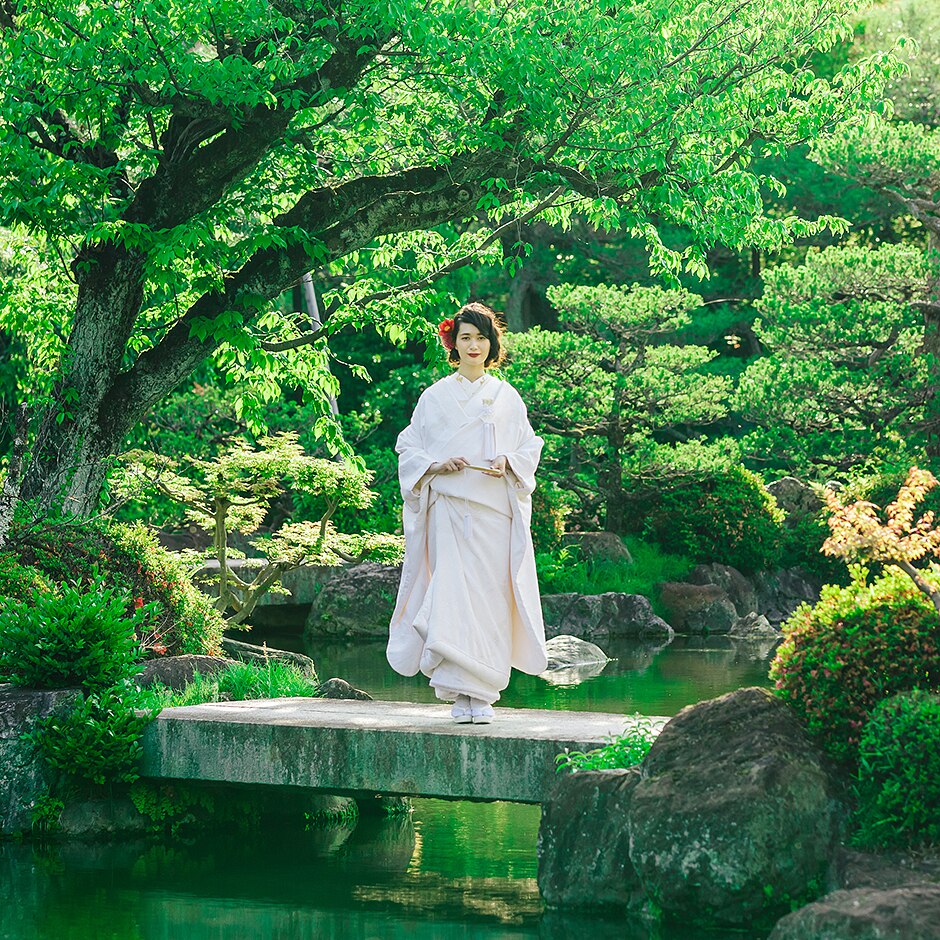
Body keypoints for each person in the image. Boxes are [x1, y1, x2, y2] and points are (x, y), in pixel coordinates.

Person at [386, 302, 548, 724]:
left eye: (481, 337)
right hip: (450, 512)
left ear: (491, 343)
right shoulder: (434, 396)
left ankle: (485, 694)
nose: (473, 345)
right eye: (465, 337)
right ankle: (460, 694)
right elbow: (408, 447)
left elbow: (530, 447)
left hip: (494, 513)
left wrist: (508, 462)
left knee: (491, 599)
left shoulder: (506, 396)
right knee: (453, 597)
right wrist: (437, 465)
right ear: (453, 344)